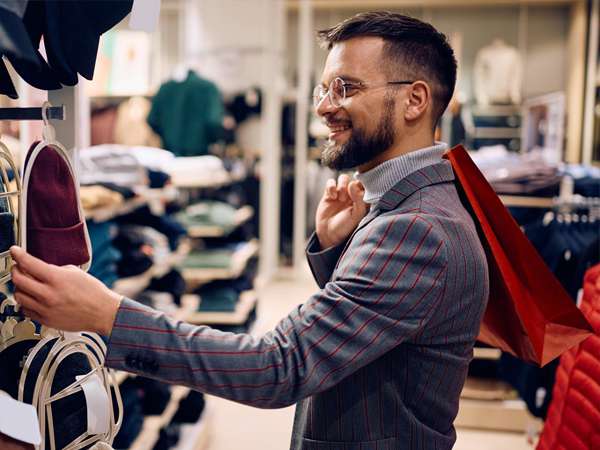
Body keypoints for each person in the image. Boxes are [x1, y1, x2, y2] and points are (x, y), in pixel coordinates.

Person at [10, 11, 489, 450]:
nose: (324, 107)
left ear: (414, 100)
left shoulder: (416, 228)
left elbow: (280, 365)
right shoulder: (404, 206)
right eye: (323, 90)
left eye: (345, 87)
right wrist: (334, 249)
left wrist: (109, 315)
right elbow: (367, 337)